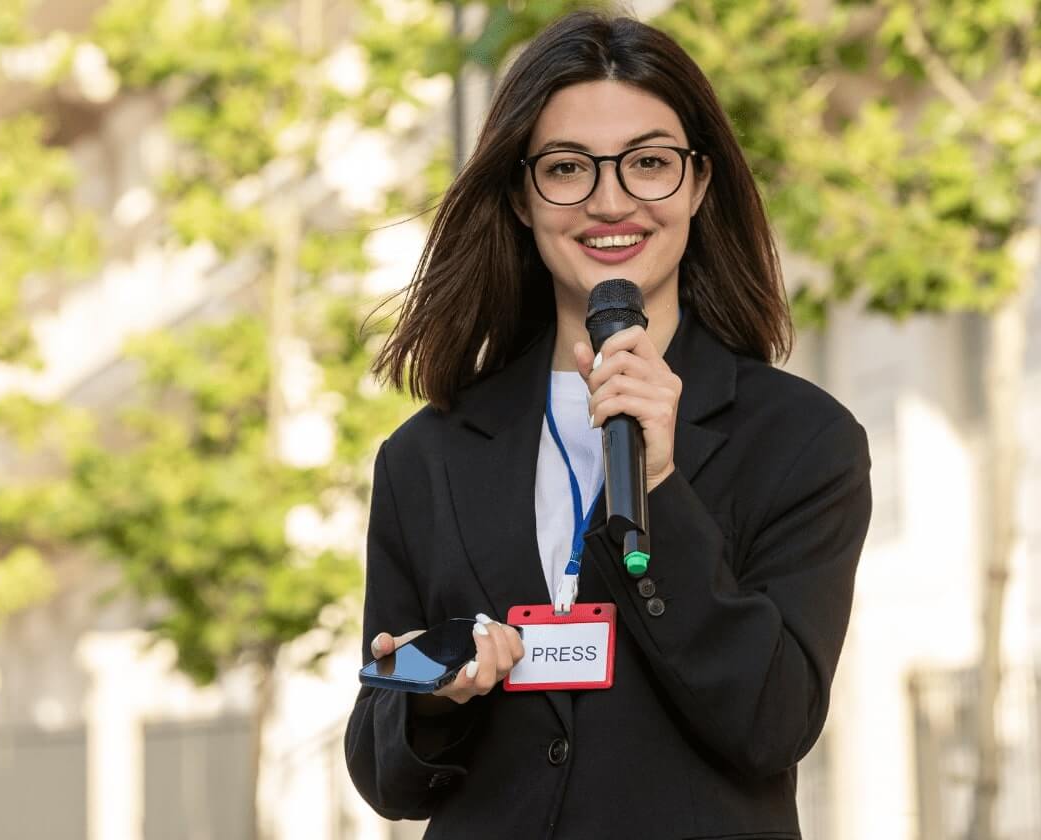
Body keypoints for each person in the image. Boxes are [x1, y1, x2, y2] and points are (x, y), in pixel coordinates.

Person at [345, 10, 871, 839]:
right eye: (566, 168)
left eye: (650, 163)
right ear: (522, 196)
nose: (611, 200)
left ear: (699, 184)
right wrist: (432, 683)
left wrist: (660, 487)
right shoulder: (427, 456)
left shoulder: (802, 441)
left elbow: (773, 722)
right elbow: (384, 769)